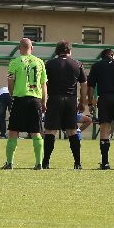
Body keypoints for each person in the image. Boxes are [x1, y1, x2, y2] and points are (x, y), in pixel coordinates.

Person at [4, 38, 48, 169]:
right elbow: (43, 85)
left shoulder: (15, 62)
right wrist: (44, 101)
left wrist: (12, 95)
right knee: (36, 131)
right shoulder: (40, 62)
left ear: (19, 48)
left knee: (13, 131)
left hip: (20, 99)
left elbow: (10, 82)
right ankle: (39, 163)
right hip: (35, 100)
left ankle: (10, 163)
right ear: (32, 48)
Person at [43, 40, 87, 169]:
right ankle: (77, 163)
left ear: (57, 51)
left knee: (50, 130)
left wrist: (43, 101)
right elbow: (84, 84)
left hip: (54, 99)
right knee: (72, 130)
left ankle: (45, 162)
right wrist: (83, 101)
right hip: (71, 100)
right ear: (69, 51)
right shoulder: (77, 64)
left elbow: (44, 84)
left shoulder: (49, 64)